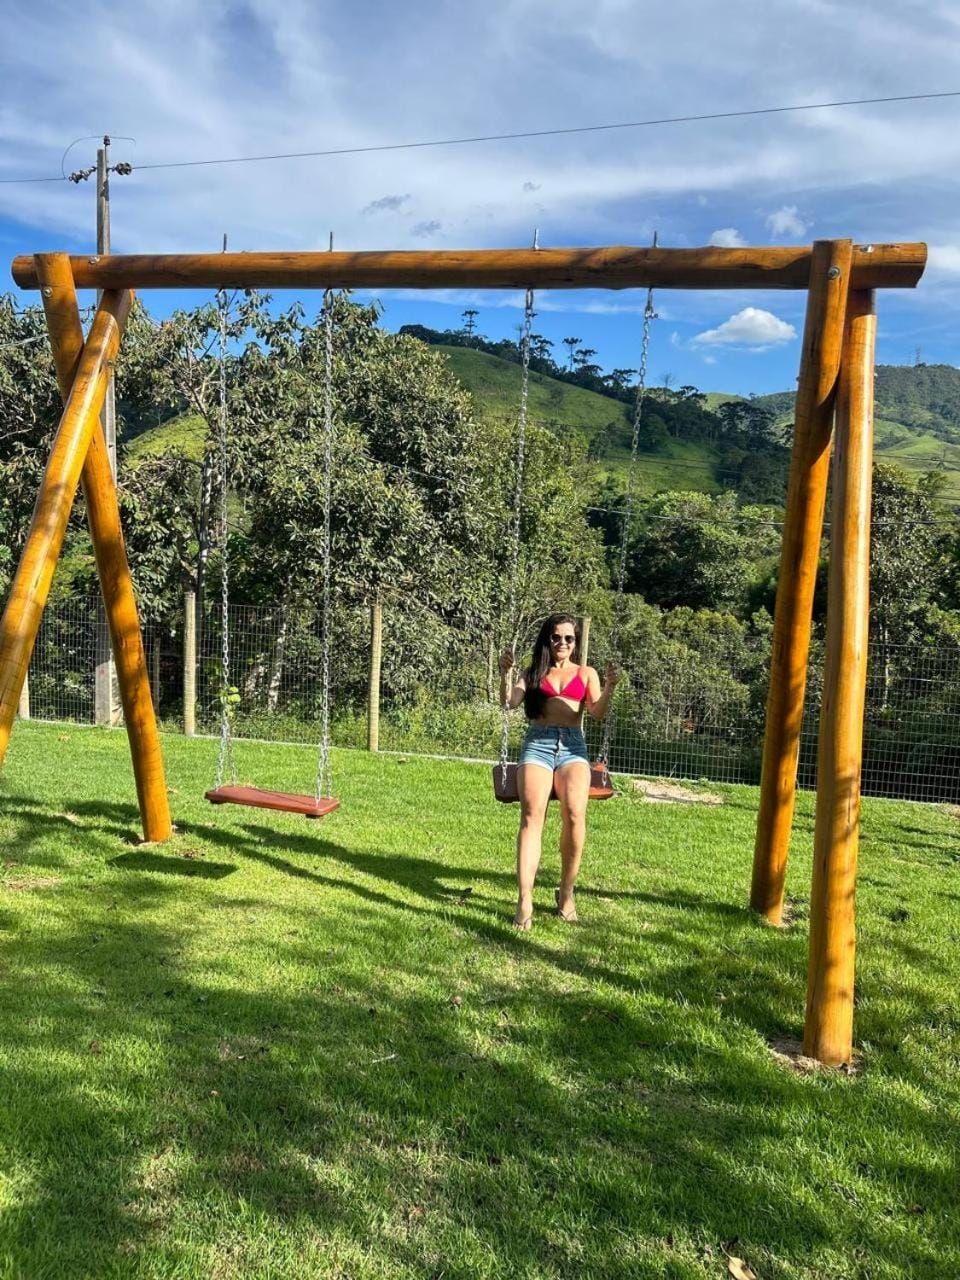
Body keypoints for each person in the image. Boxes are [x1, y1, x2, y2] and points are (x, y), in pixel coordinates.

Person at [499, 612, 620, 930]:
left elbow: (596, 712)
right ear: (547, 640)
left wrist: (609, 687)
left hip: (573, 748)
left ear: (575, 642)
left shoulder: (587, 673)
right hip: (537, 744)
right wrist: (504, 674)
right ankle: (525, 899)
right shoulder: (533, 672)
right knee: (531, 815)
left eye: (568, 638)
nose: (562, 643)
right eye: (556, 637)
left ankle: (566, 893)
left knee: (575, 814)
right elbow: (509, 702)